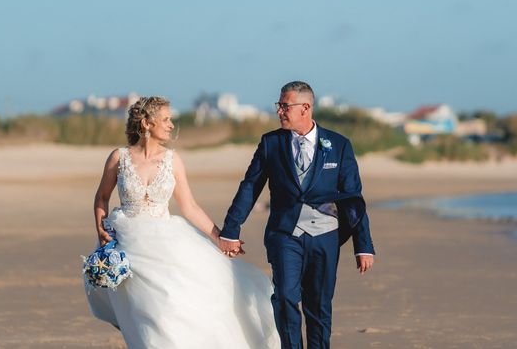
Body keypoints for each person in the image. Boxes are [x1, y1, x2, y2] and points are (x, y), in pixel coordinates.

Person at [87, 96, 280, 348]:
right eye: (165, 119)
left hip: (166, 244)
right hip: (127, 244)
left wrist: (220, 237)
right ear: (146, 123)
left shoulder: (172, 160)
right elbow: (101, 197)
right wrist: (101, 231)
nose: (170, 125)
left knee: (169, 308)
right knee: (141, 312)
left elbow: (189, 206)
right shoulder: (119, 157)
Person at [219, 81, 375, 349]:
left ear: (305, 108)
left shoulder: (338, 145)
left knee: (319, 305)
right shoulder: (271, 143)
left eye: (284, 106)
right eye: (279, 105)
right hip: (284, 234)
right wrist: (231, 229)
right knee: (285, 297)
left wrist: (364, 245)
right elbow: (250, 186)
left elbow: (353, 198)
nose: (279, 111)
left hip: (325, 235)